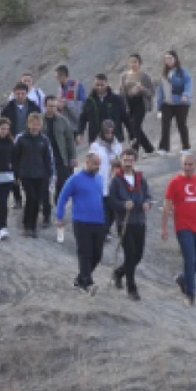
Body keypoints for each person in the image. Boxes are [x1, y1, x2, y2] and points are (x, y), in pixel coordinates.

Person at [161, 153, 196, 306]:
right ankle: (190, 294)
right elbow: (166, 206)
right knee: (190, 259)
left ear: (195, 165)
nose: (188, 167)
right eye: (185, 164)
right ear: (181, 165)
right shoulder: (174, 182)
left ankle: (183, 278)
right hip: (183, 226)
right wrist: (164, 228)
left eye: (190, 164)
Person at [56, 152, 107, 294]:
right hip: (81, 221)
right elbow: (63, 197)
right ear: (87, 162)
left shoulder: (100, 179)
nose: (97, 166)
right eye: (95, 163)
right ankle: (88, 283)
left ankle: (80, 279)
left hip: (98, 221)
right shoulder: (75, 179)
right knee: (85, 252)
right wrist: (59, 216)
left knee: (97, 254)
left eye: (99, 164)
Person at [108, 149, 151, 301]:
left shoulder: (141, 179)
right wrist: (122, 205)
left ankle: (119, 273)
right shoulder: (116, 180)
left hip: (139, 221)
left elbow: (148, 197)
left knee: (138, 255)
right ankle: (131, 288)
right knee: (130, 253)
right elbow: (111, 201)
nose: (127, 163)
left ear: (135, 161)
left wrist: (147, 203)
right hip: (124, 222)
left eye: (130, 160)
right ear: (121, 161)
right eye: (125, 160)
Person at [12, 112, 54, 239]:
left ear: (41, 125)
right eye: (33, 124)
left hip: (41, 175)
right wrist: (16, 174)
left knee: (37, 200)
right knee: (31, 198)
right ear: (28, 124)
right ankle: (26, 225)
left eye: (38, 124)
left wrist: (50, 174)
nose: (35, 127)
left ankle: (33, 227)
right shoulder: (21, 139)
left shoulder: (44, 140)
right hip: (26, 174)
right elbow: (15, 158)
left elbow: (48, 158)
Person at [1, 82, 42, 209]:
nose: (20, 96)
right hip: (12, 142)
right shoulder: (8, 108)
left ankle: (36, 197)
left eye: (22, 93)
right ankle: (17, 198)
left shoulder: (34, 106)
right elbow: (2, 124)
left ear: (26, 93)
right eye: (17, 93)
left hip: (30, 141)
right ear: (14, 94)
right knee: (14, 168)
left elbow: (39, 123)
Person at [43, 95, 77, 241]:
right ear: (45, 106)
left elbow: (70, 140)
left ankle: (59, 212)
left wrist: (73, 157)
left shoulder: (63, 121)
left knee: (62, 186)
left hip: (61, 158)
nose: (52, 108)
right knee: (44, 188)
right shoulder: (39, 120)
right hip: (44, 160)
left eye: (54, 106)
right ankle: (45, 215)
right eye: (49, 106)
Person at [88, 119, 124, 236]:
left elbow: (122, 161)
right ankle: (103, 231)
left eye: (111, 132)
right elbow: (91, 161)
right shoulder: (95, 146)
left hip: (113, 181)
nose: (109, 135)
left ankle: (106, 228)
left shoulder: (117, 146)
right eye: (107, 132)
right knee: (103, 209)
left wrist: (118, 162)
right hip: (100, 181)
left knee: (113, 209)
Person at [76, 74, 130, 147]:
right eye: (97, 85)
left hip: (114, 138)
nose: (100, 87)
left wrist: (132, 134)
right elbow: (82, 118)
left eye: (102, 85)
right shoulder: (89, 101)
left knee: (115, 158)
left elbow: (125, 117)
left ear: (107, 84)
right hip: (96, 139)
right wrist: (80, 133)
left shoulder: (117, 99)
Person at [119, 55, 156, 155]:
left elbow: (152, 92)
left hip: (140, 102)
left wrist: (142, 89)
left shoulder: (144, 76)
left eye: (135, 62)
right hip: (128, 103)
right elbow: (122, 91)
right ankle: (149, 149)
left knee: (135, 125)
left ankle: (134, 151)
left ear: (139, 63)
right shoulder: (124, 76)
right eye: (131, 62)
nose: (133, 64)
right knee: (133, 127)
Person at [156, 50, 192, 154]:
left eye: (170, 58)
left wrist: (186, 94)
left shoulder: (182, 72)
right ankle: (164, 147)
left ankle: (186, 147)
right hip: (167, 103)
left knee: (181, 124)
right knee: (165, 125)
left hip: (181, 102)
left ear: (175, 59)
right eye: (166, 59)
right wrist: (159, 107)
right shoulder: (164, 75)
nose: (168, 61)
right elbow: (160, 91)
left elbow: (188, 83)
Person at [55, 65, 86, 130]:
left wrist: (67, 103)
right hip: (64, 124)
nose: (56, 79)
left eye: (57, 77)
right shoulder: (60, 89)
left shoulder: (77, 86)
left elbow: (83, 104)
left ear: (62, 76)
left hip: (75, 125)